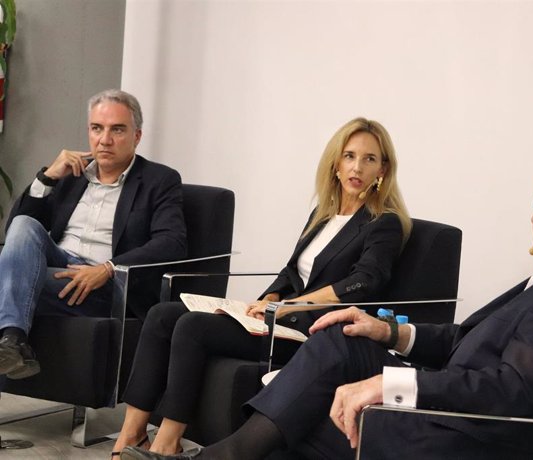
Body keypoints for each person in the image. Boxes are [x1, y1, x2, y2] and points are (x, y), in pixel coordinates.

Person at [123, 151, 533, 460]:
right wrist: (389, 333)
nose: (531, 216)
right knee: (341, 341)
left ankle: (228, 455)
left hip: (467, 438)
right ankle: (230, 456)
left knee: (305, 413)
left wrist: (390, 384)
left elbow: (511, 391)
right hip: (459, 407)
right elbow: (468, 342)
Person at [112, 117, 412, 457]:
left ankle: (167, 445)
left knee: (193, 327)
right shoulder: (324, 214)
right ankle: (130, 437)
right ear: (336, 164)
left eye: (369, 159)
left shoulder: (383, 222)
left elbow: (364, 282)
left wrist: (293, 305)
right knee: (161, 315)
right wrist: (270, 297)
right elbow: (291, 272)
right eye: (350, 156)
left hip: (311, 335)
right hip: (279, 317)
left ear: (383, 169)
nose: (357, 166)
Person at [0, 89, 187, 380]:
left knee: (7, 279)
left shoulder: (159, 180)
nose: (105, 140)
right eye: (97, 128)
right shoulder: (71, 174)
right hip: (57, 268)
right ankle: (12, 339)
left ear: (137, 136)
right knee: (25, 225)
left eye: (117, 130)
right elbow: (17, 230)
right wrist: (47, 177)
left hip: (106, 285)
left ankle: (12, 340)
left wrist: (108, 268)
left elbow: (172, 243)